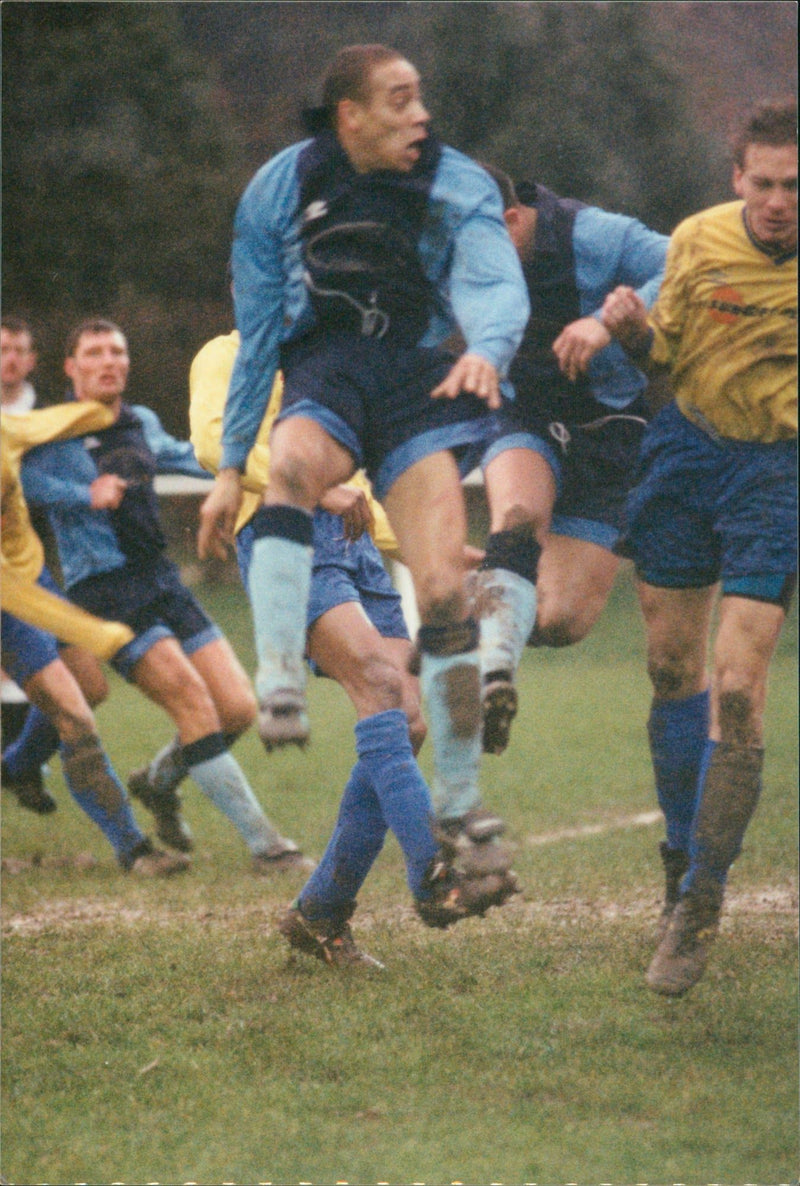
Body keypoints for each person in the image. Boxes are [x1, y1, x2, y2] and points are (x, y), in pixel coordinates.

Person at [197, 44, 529, 871]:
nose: (421, 116)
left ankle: (458, 806)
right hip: (330, 367)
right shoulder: (280, 186)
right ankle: (277, 675)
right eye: (399, 100)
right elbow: (261, 329)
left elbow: (492, 280)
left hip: (419, 377)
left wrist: (487, 344)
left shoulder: (455, 181)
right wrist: (231, 461)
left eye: (423, 98)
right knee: (298, 468)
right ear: (350, 115)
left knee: (448, 592)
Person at [192, 329, 519, 965]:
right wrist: (313, 487)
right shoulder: (227, 355)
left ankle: (320, 910)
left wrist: (440, 554)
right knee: (379, 682)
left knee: (410, 719)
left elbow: (361, 501)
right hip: (284, 535)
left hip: (355, 549)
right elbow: (212, 444)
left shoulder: (325, 359)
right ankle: (435, 874)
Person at [602, 98, 797, 996]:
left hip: (778, 472)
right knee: (670, 667)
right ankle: (680, 864)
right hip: (687, 448)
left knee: (737, 687)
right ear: (737, 178)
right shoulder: (697, 241)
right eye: (763, 183)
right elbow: (663, 354)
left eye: (794, 186)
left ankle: (703, 903)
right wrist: (634, 329)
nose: (778, 202)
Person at [20, 318, 312, 876]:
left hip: (160, 580)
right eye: (96, 352)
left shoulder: (140, 422)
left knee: (237, 709)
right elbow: (21, 482)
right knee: (191, 703)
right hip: (105, 591)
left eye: (118, 351)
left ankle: (158, 781)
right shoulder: (49, 428)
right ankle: (268, 847)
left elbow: (187, 454)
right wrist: (81, 494)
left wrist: (266, 468)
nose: (110, 361)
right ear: (71, 367)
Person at [470, 165, 669, 754]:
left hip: (610, 428)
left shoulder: (596, 235)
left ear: (512, 220)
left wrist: (612, 319)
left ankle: (458, 606)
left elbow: (694, 263)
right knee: (519, 513)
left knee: (562, 620)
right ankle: (493, 673)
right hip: (523, 412)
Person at [1, 400, 189, 876]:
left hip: (33, 578)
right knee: (74, 713)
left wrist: (108, 409)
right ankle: (133, 849)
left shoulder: (9, 428)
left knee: (88, 690)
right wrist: (94, 631)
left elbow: (67, 419)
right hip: (10, 597)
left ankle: (18, 766)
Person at [1, 316, 38, 414]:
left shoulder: (47, 414)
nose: (12, 359)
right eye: (4, 350)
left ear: (31, 361)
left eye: (20, 351)